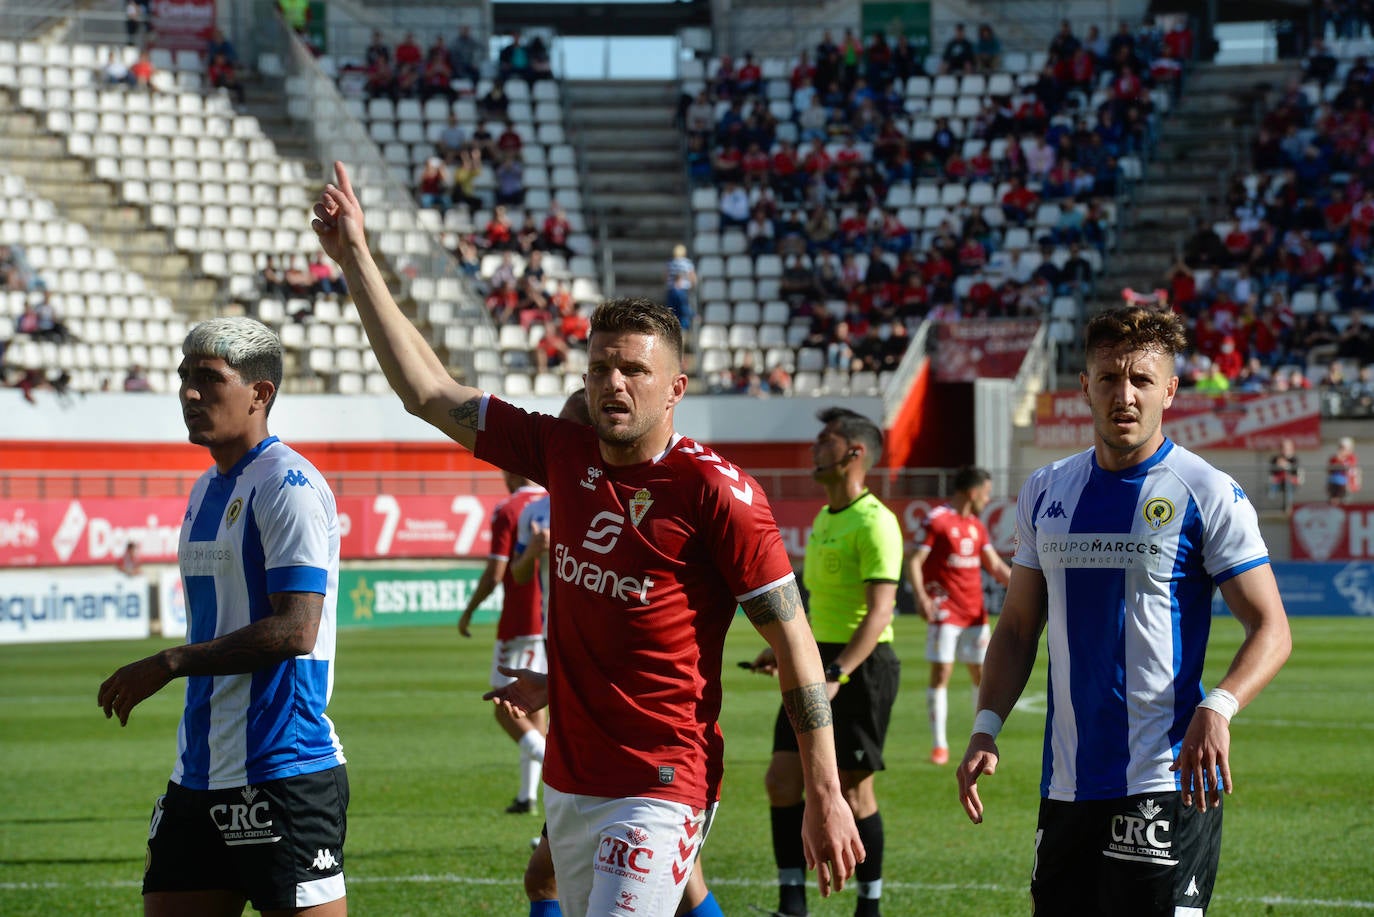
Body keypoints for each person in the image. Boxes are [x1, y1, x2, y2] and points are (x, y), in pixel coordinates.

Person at [312, 161, 862, 917]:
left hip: (663, 781)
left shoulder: (718, 493)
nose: (614, 383)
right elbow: (428, 392)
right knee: (547, 887)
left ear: (675, 387)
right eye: (601, 367)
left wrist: (825, 792)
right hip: (570, 778)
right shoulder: (560, 451)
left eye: (635, 370)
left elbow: (795, 641)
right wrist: (355, 258)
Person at [956, 306, 1292, 916]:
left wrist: (1219, 706)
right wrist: (986, 726)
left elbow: (1271, 628)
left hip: (1164, 779)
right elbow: (1018, 628)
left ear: (1170, 390)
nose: (1125, 395)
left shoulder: (1206, 491)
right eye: (1109, 378)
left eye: (1141, 379)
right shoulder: (1046, 489)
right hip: (1066, 785)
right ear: (1085, 387)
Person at [97, 317, 348, 916]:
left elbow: (296, 629)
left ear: (260, 393)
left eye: (208, 378)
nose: (188, 392)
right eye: (184, 375)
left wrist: (169, 662)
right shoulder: (205, 489)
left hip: (281, 769)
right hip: (198, 773)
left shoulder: (288, 485)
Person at [510, 390, 724, 917]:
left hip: (647, 757)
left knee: (544, 878)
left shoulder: (652, 501)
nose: (555, 442)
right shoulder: (551, 503)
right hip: (592, 737)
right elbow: (523, 579)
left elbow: (634, 636)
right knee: (685, 888)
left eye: (567, 430)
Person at [749, 408, 902, 917]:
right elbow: (815, 607)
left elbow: (880, 613)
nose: (815, 449)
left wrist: (837, 672)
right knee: (781, 780)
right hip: (819, 661)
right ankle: (792, 903)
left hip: (861, 666)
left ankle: (869, 907)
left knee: (855, 793)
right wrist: (786, 650)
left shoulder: (876, 521)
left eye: (826, 441)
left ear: (854, 453)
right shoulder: (823, 519)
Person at [458, 470, 550, 816]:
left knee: (505, 706)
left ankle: (556, 769)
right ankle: (527, 797)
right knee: (535, 709)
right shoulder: (556, 501)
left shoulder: (510, 509)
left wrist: (469, 611)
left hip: (520, 621)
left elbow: (496, 572)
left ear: (512, 472)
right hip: (550, 622)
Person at [906, 466, 1011, 766]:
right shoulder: (937, 520)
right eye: (986, 493)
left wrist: (1031, 588)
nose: (988, 499)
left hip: (975, 614)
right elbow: (914, 561)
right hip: (944, 612)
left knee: (981, 675)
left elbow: (995, 566)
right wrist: (922, 597)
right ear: (973, 492)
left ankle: (979, 739)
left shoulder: (976, 525)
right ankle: (939, 745)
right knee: (942, 673)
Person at [665, 244, 697, 332]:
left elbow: (666, 276)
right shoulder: (687, 263)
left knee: (672, 311)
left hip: (672, 289)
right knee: (683, 310)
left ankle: (673, 329)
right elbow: (692, 276)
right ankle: (684, 329)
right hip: (683, 289)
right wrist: (693, 286)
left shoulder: (670, 263)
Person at [1268, 437, 1302, 512]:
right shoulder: (1276, 458)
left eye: (1288, 448)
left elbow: (1296, 473)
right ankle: (1272, 507)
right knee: (1271, 493)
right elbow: (1272, 472)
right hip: (1278, 482)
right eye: (1283, 448)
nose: (1286, 450)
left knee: (1288, 488)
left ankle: (1288, 507)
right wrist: (1278, 465)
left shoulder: (1294, 459)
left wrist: (1287, 465)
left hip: (1290, 482)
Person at [1327, 436, 1360, 503]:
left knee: (1345, 501)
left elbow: (1349, 469)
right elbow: (1330, 470)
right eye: (1340, 447)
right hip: (1335, 484)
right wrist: (1338, 459)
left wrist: (1341, 460)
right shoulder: (1334, 458)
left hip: (1347, 484)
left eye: (1343, 447)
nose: (1341, 449)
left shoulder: (1351, 458)